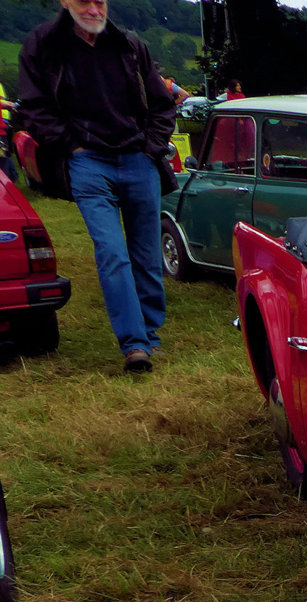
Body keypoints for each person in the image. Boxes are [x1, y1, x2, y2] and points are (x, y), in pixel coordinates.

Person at [17, 0, 175, 372]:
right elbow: (34, 107)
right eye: (84, 0)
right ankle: (135, 344)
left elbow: (162, 102)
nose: (93, 8)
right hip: (88, 162)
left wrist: (150, 146)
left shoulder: (129, 44)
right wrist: (71, 147)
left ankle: (151, 333)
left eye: (100, 1)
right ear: (64, 2)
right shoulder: (43, 45)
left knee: (147, 253)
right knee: (111, 252)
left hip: (138, 158)